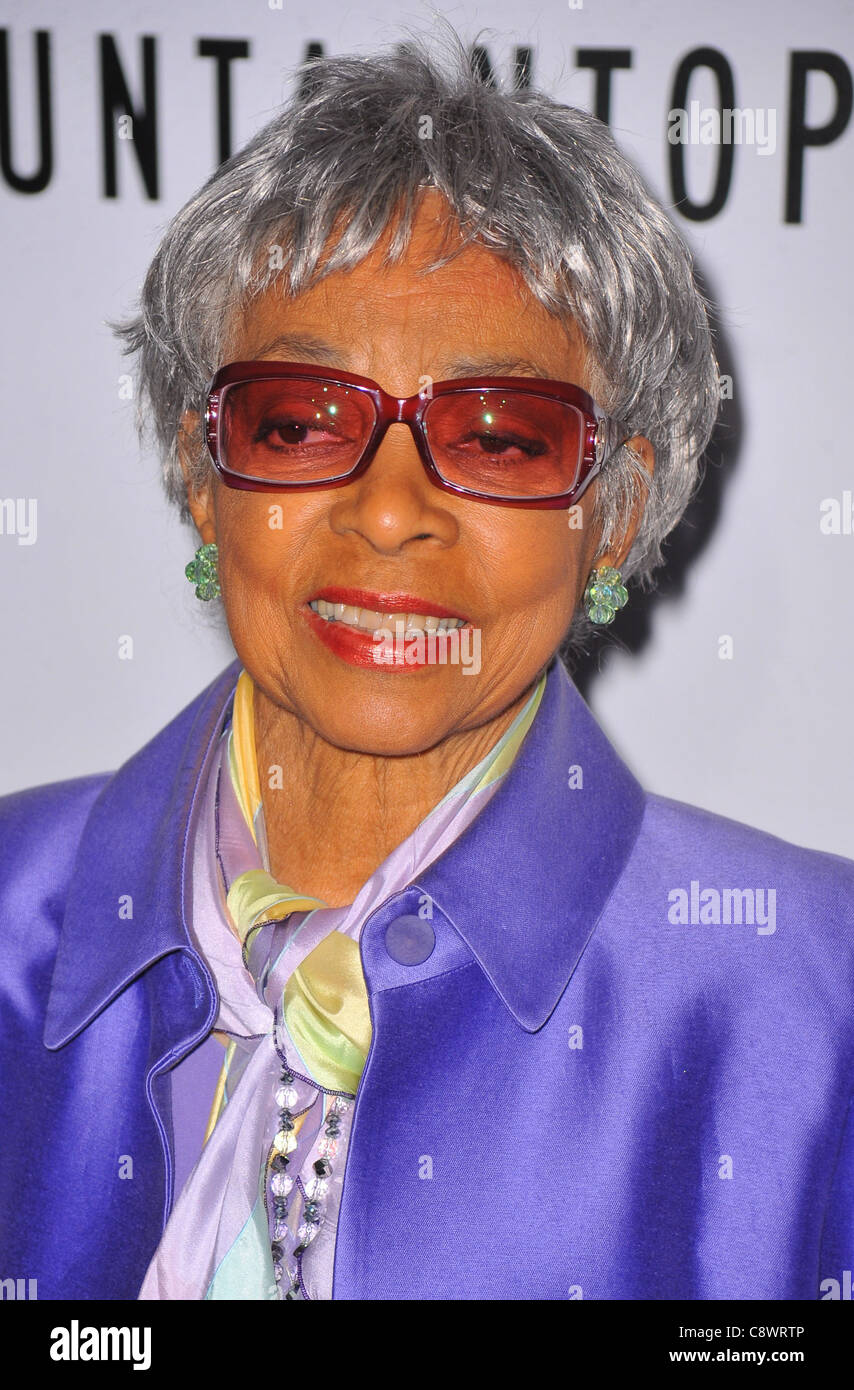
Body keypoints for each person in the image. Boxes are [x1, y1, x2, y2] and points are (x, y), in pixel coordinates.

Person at [0, 34, 851, 1302]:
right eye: (297, 421)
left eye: (500, 437)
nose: (388, 509)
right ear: (202, 470)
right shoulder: (18, 910)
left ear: (612, 512)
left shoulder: (815, 1001)